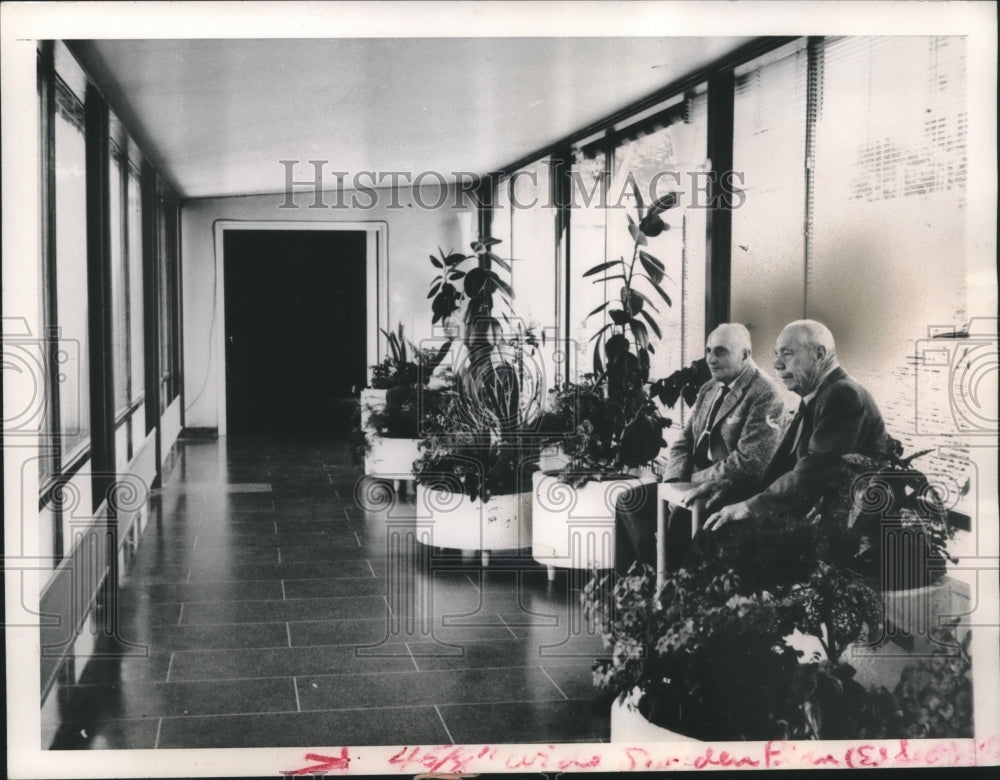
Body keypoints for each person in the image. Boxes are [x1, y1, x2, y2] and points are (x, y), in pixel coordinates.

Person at [614, 323, 790, 573]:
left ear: (745, 355)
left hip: (727, 489)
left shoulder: (765, 393)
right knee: (629, 501)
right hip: (688, 484)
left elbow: (750, 463)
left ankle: (666, 586)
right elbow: (683, 443)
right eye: (708, 351)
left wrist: (691, 483)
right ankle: (639, 581)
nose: (710, 359)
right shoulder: (709, 388)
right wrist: (674, 481)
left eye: (720, 352)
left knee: (680, 519)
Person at [693, 319, 890, 531]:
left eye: (787, 354)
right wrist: (733, 487)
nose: (777, 364)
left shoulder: (843, 395)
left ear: (819, 355)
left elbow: (811, 476)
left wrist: (747, 507)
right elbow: (787, 467)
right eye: (777, 355)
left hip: (844, 531)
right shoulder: (820, 394)